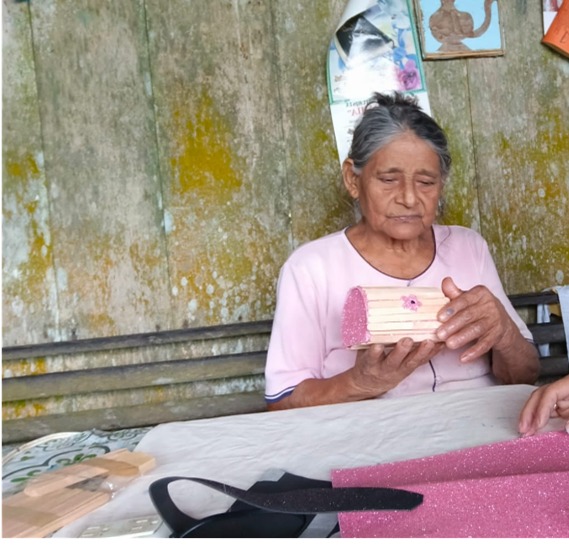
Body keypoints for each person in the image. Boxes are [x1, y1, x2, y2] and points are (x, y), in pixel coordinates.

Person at [264, 91, 540, 410]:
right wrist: (359, 383)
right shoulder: (311, 268)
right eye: (388, 180)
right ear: (353, 180)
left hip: (476, 421)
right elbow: (281, 400)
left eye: (426, 182)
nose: (408, 198)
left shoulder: (469, 248)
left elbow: (525, 375)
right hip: (370, 430)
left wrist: (504, 332)